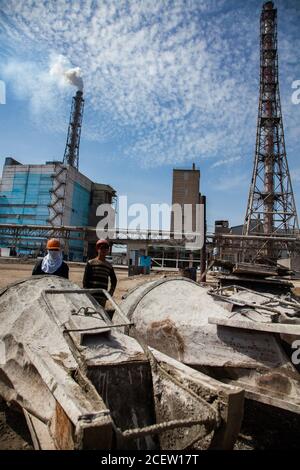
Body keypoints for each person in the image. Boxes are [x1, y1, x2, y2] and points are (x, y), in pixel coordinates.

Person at [83, 239, 117, 308]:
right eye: (101, 248)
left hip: (102, 297)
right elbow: (85, 280)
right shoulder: (90, 263)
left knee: (100, 314)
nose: (103, 250)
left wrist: (111, 292)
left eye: (106, 248)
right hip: (91, 296)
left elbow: (114, 280)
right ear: (97, 249)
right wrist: (87, 292)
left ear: (108, 250)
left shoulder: (109, 266)